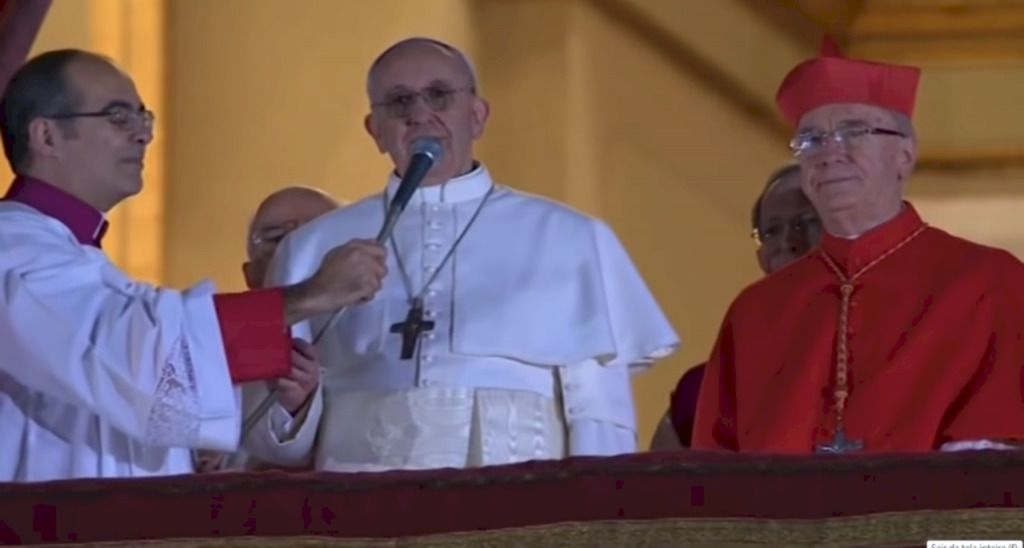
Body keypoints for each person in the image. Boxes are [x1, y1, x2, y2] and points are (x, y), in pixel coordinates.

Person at [243, 37, 680, 472]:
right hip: (359, 502)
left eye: (439, 95)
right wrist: (297, 407)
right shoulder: (312, 248)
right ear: (375, 130)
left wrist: (595, 513)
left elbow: (599, 410)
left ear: (476, 115)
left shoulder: (570, 238)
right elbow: (271, 441)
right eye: (398, 102)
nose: (419, 114)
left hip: (518, 501)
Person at [0, 49, 385, 481]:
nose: (143, 135)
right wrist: (309, 296)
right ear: (47, 136)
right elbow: (128, 354)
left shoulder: (74, 256)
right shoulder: (12, 248)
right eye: (118, 117)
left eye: (143, 118)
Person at [692, 37, 1024, 454]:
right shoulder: (756, 311)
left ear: (904, 154)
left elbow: (999, 456)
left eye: (853, 132)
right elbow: (714, 469)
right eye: (811, 140)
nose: (829, 154)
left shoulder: (990, 283)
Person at [648, 163, 821, 450]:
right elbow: (660, 489)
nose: (788, 241)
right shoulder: (701, 391)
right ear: (760, 256)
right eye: (772, 230)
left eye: (808, 222)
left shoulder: (880, 355)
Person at [195, 186, 340, 473]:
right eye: (276, 237)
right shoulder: (214, 354)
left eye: (316, 231)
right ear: (250, 276)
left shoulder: (375, 344)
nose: (294, 245)